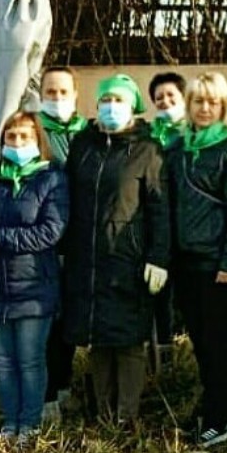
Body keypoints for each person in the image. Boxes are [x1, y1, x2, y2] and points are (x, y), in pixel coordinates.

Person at [63, 74, 170, 430]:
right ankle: (103, 413)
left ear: (133, 107)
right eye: (105, 101)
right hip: (88, 258)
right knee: (98, 338)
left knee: (128, 341)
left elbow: (159, 209)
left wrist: (158, 257)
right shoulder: (84, 146)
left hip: (128, 258)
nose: (111, 107)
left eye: (119, 101)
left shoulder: (147, 150)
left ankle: (127, 417)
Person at [0, 110, 69, 445]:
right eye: (12, 136)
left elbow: (50, 232)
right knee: (3, 363)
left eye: (25, 137)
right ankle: (10, 423)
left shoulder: (51, 178)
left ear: (38, 141)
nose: (18, 143)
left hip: (34, 289)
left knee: (30, 361)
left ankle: (30, 425)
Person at [167, 71, 227, 448]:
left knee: (217, 340)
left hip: (215, 261)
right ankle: (211, 400)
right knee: (198, 339)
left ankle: (222, 414)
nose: (204, 108)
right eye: (198, 101)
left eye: (212, 102)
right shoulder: (179, 148)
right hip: (185, 259)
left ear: (223, 106)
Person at [38, 66, 88, 423]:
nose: (57, 98)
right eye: (50, 92)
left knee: (70, 317)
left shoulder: (88, 135)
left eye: (63, 92)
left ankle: (66, 384)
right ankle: (47, 394)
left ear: (75, 96)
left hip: (81, 242)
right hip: (44, 242)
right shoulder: (34, 131)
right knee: (47, 322)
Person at [147, 72, 187, 352]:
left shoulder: (192, 135)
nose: (165, 101)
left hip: (186, 224)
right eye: (159, 97)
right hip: (158, 224)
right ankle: (163, 349)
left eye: (171, 95)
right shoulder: (148, 139)